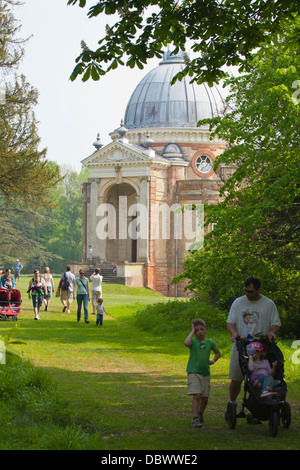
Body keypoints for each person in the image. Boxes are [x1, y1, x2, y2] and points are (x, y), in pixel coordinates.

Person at [226, 276, 281, 417]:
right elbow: (230, 322)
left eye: (250, 292)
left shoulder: (268, 304)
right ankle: (232, 403)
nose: (247, 294)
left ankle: (254, 408)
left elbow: (275, 323)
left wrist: (271, 331)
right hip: (241, 345)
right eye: (245, 291)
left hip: (260, 348)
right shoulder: (238, 303)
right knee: (236, 377)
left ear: (258, 290)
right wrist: (234, 333)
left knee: (258, 377)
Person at [184, 318, 221, 428]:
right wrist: (191, 331)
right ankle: (195, 419)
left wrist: (213, 361)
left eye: (201, 329)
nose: (199, 332)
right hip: (194, 372)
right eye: (197, 330)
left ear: (206, 329)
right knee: (197, 395)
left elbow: (217, 353)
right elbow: (186, 343)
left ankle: (200, 414)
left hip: (205, 373)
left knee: (205, 398)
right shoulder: (193, 342)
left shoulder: (210, 343)